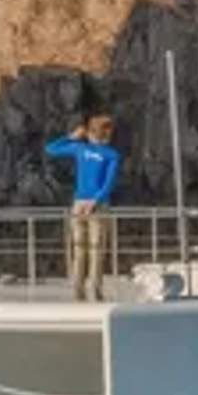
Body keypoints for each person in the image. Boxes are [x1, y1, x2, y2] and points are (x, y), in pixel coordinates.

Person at [45, 111, 122, 300]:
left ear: (90, 132)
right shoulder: (110, 154)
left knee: (80, 250)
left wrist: (70, 137)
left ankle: (79, 289)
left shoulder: (82, 149)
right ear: (106, 133)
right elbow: (109, 182)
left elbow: (51, 149)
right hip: (96, 203)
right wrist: (96, 200)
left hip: (80, 203)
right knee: (95, 250)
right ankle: (92, 289)